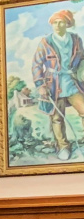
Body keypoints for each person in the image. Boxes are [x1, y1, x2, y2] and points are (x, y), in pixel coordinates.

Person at [32, 9, 84, 160]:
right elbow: (36, 65)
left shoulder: (75, 39)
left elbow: (82, 59)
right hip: (53, 85)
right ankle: (63, 147)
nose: (57, 25)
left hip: (73, 83)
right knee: (56, 118)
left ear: (67, 24)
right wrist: (40, 85)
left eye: (61, 22)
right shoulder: (45, 42)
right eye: (55, 22)